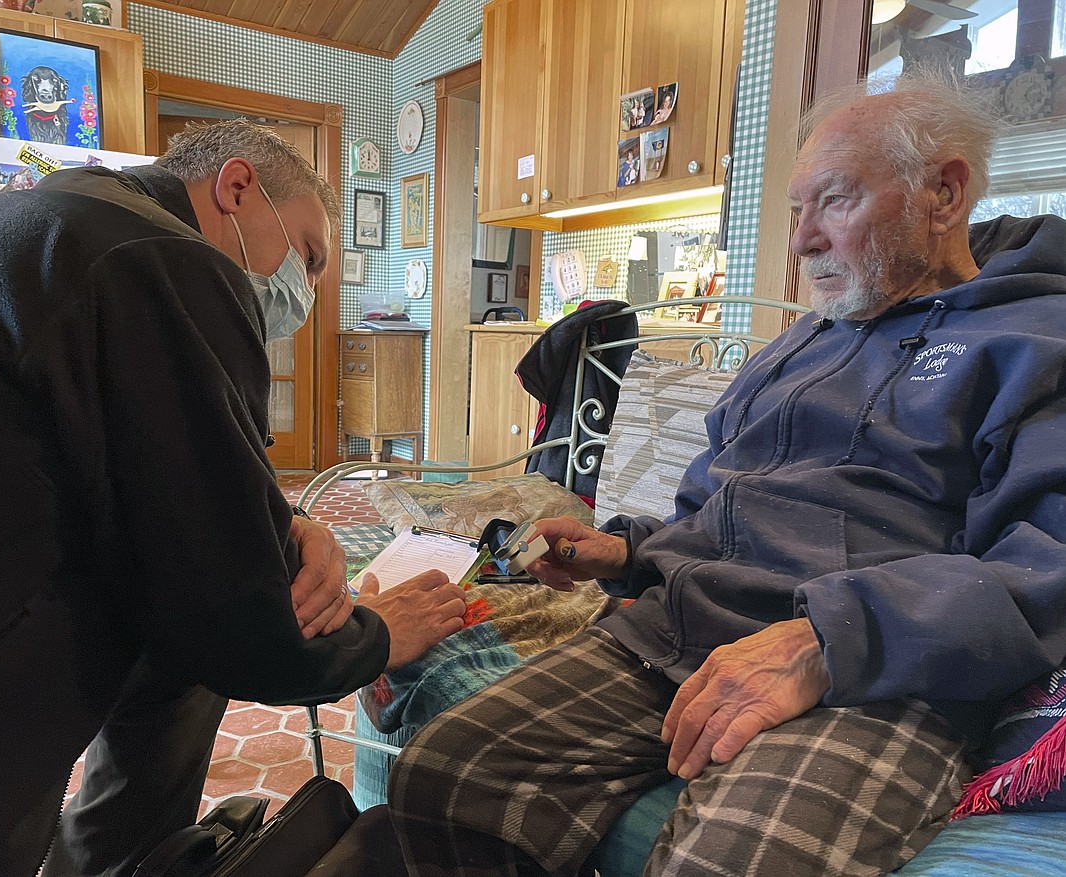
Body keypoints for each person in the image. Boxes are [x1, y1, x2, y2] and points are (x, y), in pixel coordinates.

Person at [387, 70, 1066, 876]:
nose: (800, 240)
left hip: (871, 673)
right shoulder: (793, 347)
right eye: (793, 210)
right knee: (446, 773)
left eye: (835, 202)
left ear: (944, 194)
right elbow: (709, 509)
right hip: (681, 633)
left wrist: (824, 640)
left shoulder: (1032, 344)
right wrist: (628, 552)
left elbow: (1043, 567)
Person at [0, 119, 467, 876]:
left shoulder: (51, 217)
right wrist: (377, 635)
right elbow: (245, 627)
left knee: (173, 648)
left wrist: (288, 519)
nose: (303, 292)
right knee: (197, 627)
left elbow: (161, 469)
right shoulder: (167, 259)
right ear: (236, 188)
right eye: (307, 255)